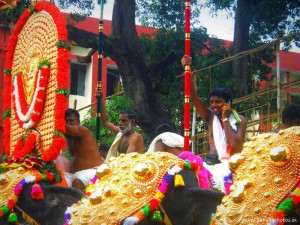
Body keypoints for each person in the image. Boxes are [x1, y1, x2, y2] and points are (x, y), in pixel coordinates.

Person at [181, 56, 246, 193]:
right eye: (212, 102)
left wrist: (226, 118)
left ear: (228, 103)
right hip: (210, 166)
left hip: (231, 168)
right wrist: (187, 70)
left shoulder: (240, 120)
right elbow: (194, 97)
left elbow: (235, 144)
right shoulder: (210, 116)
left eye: (218, 102)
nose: (214, 105)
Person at [65, 108, 104, 191]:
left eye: (71, 120)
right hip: (75, 175)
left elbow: (66, 128)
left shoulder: (83, 131)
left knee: (77, 182)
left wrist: (51, 118)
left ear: (78, 122)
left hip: (93, 172)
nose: (68, 123)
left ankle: (78, 204)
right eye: (66, 121)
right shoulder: (70, 137)